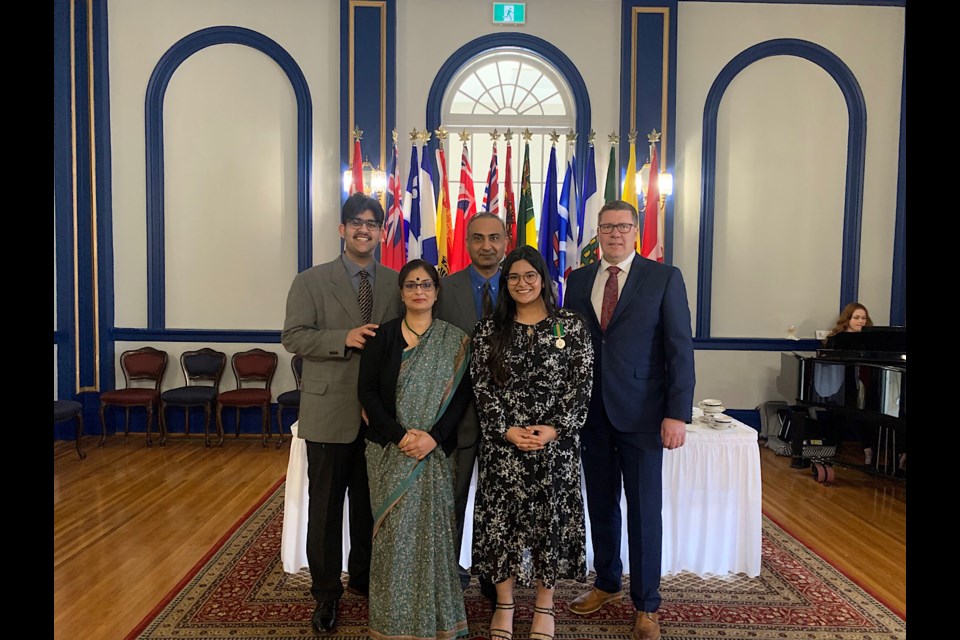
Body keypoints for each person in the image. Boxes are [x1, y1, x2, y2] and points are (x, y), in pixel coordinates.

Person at [563, 200, 695, 640]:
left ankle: (646, 605)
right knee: (600, 505)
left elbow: (679, 349)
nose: (615, 234)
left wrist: (676, 414)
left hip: (642, 416)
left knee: (643, 512)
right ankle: (606, 582)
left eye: (623, 226)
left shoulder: (663, 278)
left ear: (636, 231)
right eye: (607, 227)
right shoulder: (577, 281)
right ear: (597, 233)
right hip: (591, 416)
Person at [280, 192, 401, 634]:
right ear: (342, 229)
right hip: (328, 413)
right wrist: (341, 338)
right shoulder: (311, 281)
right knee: (327, 510)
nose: (364, 229)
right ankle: (326, 595)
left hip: (379, 418)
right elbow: (293, 337)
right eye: (356, 222)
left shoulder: (395, 282)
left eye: (372, 223)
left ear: (382, 231)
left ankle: (365, 581)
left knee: (371, 509)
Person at [470, 246, 594, 640]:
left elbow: (582, 386)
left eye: (529, 276)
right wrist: (505, 428)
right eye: (513, 277)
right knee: (501, 525)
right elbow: (481, 387)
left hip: (554, 449)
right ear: (505, 284)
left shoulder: (570, 326)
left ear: (543, 278)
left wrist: (555, 428)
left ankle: (544, 605)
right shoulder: (489, 329)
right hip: (502, 447)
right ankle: (504, 605)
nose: (522, 284)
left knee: (548, 526)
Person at [358, 259, 473, 640]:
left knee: (434, 536)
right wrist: (400, 436)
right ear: (402, 292)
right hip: (390, 451)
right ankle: (392, 622)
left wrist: (433, 437)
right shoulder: (383, 337)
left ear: (437, 292)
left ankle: (437, 621)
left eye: (426, 284)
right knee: (393, 538)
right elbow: (368, 393)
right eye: (411, 285)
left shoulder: (455, 340)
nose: (419, 291)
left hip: (435, 454)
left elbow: (460, 399)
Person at [433, 211, 507, 597]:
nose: (486, 245)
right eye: (478, 238)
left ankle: (496, 578)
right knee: (453, 499)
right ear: (466, 243)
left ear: (505, 242)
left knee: (497, 502)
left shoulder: (522, 286)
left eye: (494, 237)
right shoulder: (443, 290)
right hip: (455, 417)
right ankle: (449, 577)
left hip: (507, 422)